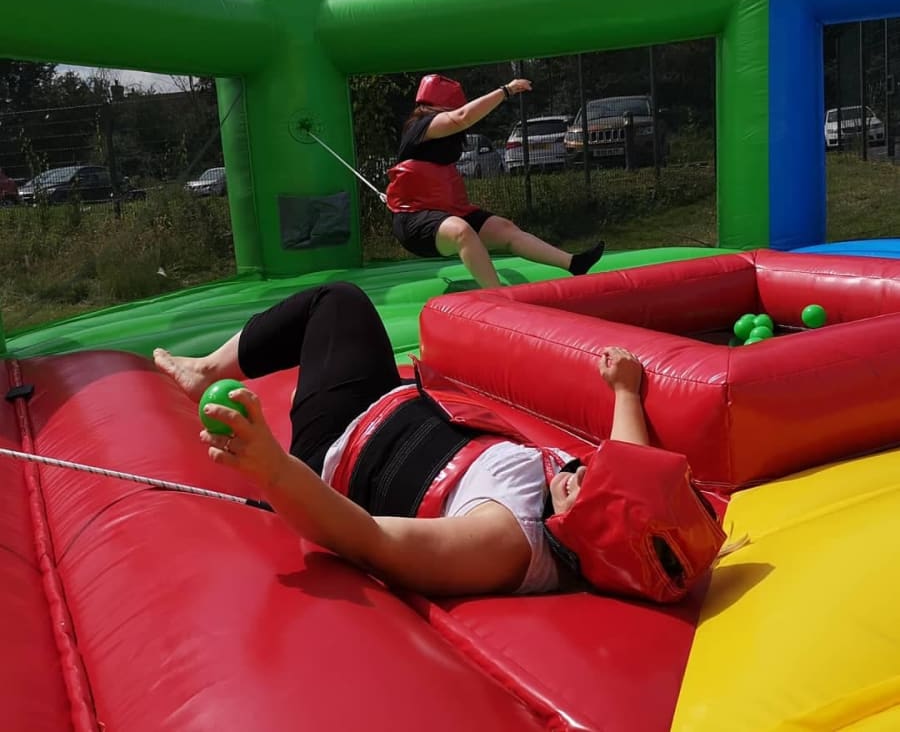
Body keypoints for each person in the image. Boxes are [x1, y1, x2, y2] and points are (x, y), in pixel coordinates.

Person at [154, 282, 729, 599]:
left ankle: (206, 374)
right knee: (345, 300)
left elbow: (371, 540)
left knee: (331, 304)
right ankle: (206, 369)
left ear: (590, 539)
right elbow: (630, 461)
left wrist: (273, 469)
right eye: (593, 468)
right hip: (394, 403)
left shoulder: (503, 543)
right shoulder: (601, 508)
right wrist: (625, 389)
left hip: (339, 443)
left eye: (585, 488)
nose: (579, 470)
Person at [385, 74, 606, 288]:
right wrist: (506, 90)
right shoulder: (420, 126)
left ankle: (574, 263)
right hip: (414, 221)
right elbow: (462, 117)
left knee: (505, 229)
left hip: (450, 212)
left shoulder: (440, 134)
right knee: (462, 231)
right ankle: (497, 296)